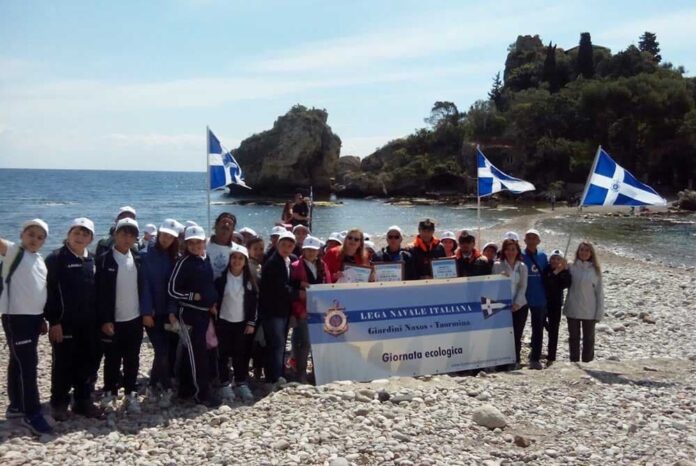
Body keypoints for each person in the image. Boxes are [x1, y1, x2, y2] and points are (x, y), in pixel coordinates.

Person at [45, 218, 103, 420]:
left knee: (87, 362)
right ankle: (59, 403)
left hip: (89, 323)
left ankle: (82, 401)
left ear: (91, 238)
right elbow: (49, 292)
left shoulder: (93, 260)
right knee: (63, 364)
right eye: (77, 233)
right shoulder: (56, 259)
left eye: (85, 234)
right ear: (68, 234)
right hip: (64, 323)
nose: (80, 237)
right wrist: (53, 322)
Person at [0, 219, 53, 435]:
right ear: (22, 235)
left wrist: (41, 318)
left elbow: (38, 289)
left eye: (40, 237)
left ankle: (15, 407)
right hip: (16, 317)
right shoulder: (15, 252)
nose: (35, 239)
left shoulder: (39, 259)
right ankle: (31, 414)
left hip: (33, 319)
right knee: (28, 365)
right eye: (31, 234)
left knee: (18, 361)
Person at [168, 225, 221, 407]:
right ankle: (202, 394)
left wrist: (211, 302)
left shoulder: (205, 259)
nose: (195, 245)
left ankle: (186, 389)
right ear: (186, 244)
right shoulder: (184, 263)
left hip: (205, 313)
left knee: (198, 351)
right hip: (189, 314)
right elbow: (172, 289)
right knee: (196, 354)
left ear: (204, 242)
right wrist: (193, 296)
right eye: (191, 243)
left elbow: (208, 285)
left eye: (198, 242)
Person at [96, 218, 144, 413]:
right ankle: (110, 392)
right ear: (115, 234)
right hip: (112, 321)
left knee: (133, 358)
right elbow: (98, 293)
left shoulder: (138, 259)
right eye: (123, 233)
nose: (127, 237)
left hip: (134, 318)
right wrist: (104, 319)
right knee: (112, 359)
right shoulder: (103, 260)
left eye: (131, 234)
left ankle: (131, 393)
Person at [140, 219, 180, 408]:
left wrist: (173, 311)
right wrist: (146, 312)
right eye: (165, 235)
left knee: (165, 351)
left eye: (171, 237)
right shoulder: (146, 254)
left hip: (168, 312)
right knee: (161, 350)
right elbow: (145, 285)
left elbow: (174, 288)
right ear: (159, 234)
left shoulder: (174, 257)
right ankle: (165, 385)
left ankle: (154, 383)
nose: (167, 239)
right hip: (153, 313)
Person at [214, 243, 257, 402]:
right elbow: (215, 301)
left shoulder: (250, 281)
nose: (237, 261)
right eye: (234, 258)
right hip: (224, 322)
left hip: (242, 323)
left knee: (241, 354)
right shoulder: (220, 280)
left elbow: (254, 304)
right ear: (229, 260)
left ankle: (240, 382)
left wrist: (251, 323)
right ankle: (224, 383)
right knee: (223, 354)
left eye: (240, 258)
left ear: (245, 262)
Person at [258, 231, 300, 386]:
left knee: (280, 344)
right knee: (275, 344)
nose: (286, 248)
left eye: (290, 245)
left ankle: (278, 374)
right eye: (283, 245)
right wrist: (299, 293)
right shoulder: (273, 263)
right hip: (273, 311)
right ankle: (273, 378)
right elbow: (280, 289)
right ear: (277, 245)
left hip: (284, 310)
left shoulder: (290, 260)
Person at [289, 236, 328, 384]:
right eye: (308, 250)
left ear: (318, 251)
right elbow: (291, 287)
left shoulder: (323, 266)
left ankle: (318, 372)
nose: (311, 253)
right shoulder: (294, 266)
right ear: (303, 250)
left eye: (314, 250)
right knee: (304, 342)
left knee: (319, 343)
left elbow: (328, 284)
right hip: (302, 310)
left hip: (320, 310)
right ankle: (301, 374)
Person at [564, 241, 604, 363]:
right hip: (573, 308)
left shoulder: (595, 270)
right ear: (578, 252)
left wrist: (599, 312)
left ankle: (588, 362)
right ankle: (574, 361)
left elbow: (599, 293)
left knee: (589, 339)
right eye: (582, 250)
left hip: (589, 310)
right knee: (573, 338)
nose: (584, 253)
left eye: (587, 250)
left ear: (591, 253)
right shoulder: (571, 266)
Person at [492, 239, 528, 368]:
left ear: (517, 250)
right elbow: (493, 287)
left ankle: (515, 361)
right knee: (502, 335)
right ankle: (501, 363)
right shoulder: (497, 265)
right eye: (508, 249)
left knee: (516, 335)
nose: (510, 252)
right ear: (504, 251)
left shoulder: (522, 267)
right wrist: (499, 278)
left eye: (513, 249)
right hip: (502, 306)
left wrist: (517, 303)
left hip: (520, 306)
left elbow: (523, 287)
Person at [521, 229, 549, 370]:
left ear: (539, 241)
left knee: (537, 329)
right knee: (518, 328)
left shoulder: (544, 256)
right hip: (522, 298)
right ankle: (514, 356)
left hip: (539, 297)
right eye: (529, 238)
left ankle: (535, 358)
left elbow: (549, 274)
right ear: (524, 240)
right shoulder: (519, 255)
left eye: (534, 238)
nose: (531, 240)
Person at [543, 249, 571, 367]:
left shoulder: (564, 271)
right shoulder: (546, 269)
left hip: (556, 304)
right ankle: (535, 349)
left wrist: (562, 271)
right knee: (539, 325)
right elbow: (547, 282)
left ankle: (551, 356)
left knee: (554, 331)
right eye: (553, 258)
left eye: (558, 259)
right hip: (543, 302)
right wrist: (556, 272)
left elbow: (566, 284)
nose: (555, 261)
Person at [207, 213, 236, 280]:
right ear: (216, 225)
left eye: (230, 223)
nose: (226, 225)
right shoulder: (203, 245)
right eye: (224, 221)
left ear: (233, 229)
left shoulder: (237, 250)